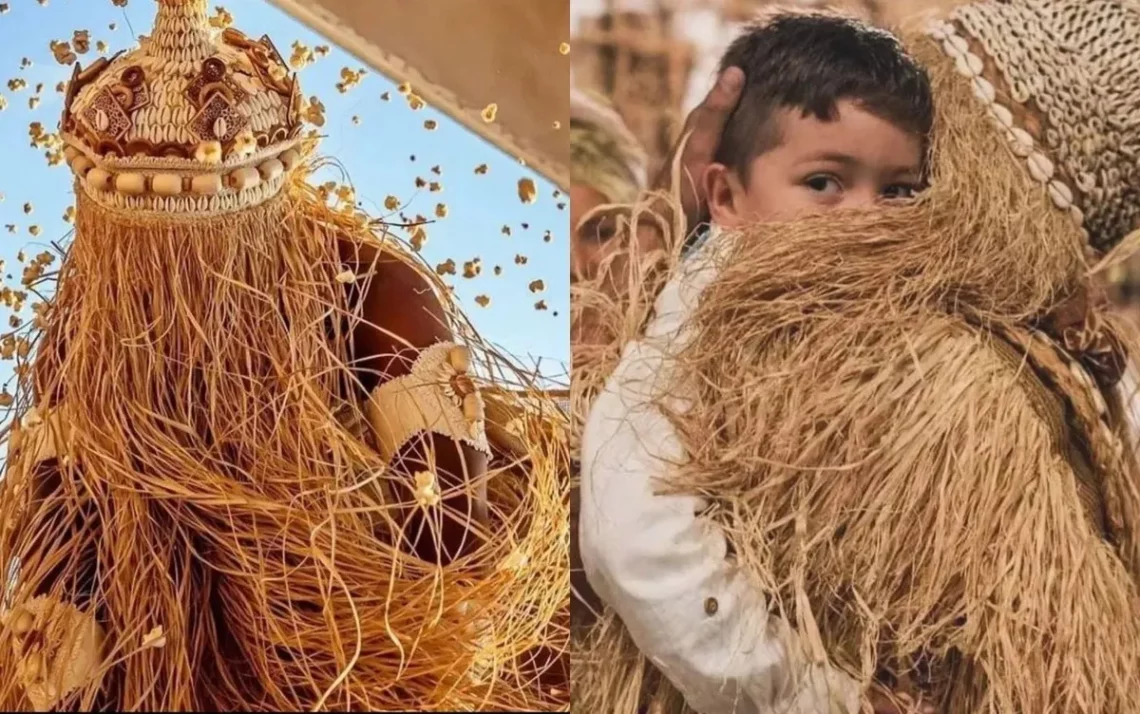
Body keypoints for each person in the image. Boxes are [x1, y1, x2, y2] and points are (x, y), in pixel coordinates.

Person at [0, 1, 568, 710]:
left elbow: (451, 546)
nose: (177, 288)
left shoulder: (377, 294)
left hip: (360, 625)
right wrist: (59, 668)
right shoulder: (85, 331)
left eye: (200, 252)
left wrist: (288, 559)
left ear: (269, 206)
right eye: (145, 256)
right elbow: (69, 539)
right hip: (172, 635)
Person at [577, 0, 1140, 712]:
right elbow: (634, 528)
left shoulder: (930, 308)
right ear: (725, 196)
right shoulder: (712, 299)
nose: (866, 217)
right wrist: (808, 693)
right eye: (823, 184)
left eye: (901, 191)